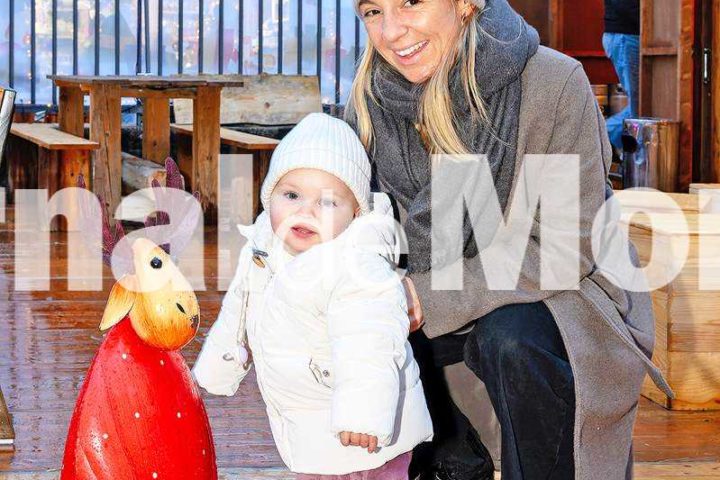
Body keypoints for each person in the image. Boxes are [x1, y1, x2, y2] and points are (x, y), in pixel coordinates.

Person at [345, 1, 671, 479]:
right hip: (433, 292)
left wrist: (423, 297)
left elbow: (561, 249)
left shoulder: (551, 83)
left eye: (410, 2)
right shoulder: (369, 102)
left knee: (512, 337)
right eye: (373, 11)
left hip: (556, 294)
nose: (392, 31)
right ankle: (454, 461)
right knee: (360, 321)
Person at [193, 113, 433, 479]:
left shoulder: (357, 264)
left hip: (367, 434)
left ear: (355, 212)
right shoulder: (263, 248)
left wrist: (363, 414)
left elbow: (371, 341)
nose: (304, 211)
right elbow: (237, 311)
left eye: (327, 202)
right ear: (269, 197)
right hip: (311, 430)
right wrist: (217, 368)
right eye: (291, 195)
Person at [603, 0, 640, 150]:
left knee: (641, 105)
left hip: (627, 33)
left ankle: (596, 136)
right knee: (640, 106)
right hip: (627, 34)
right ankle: (595, 136)